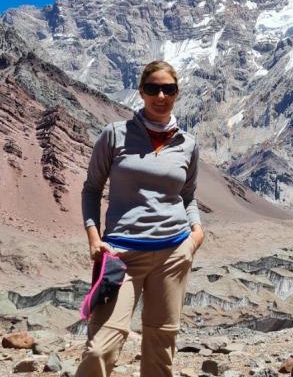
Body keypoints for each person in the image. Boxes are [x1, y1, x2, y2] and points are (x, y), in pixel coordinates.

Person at [75, 60, 204, 377]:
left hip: (173, 252)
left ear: (177, 93)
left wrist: (196, 235)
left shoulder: (188, 144)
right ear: (141, 92)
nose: (160, 95)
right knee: (99, 347)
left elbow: (187, 196)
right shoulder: (115, 135)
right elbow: (91, 190)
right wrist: (94, 238)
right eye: (152, 88)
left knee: (161, 346)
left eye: (168, 89)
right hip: (121, 255)